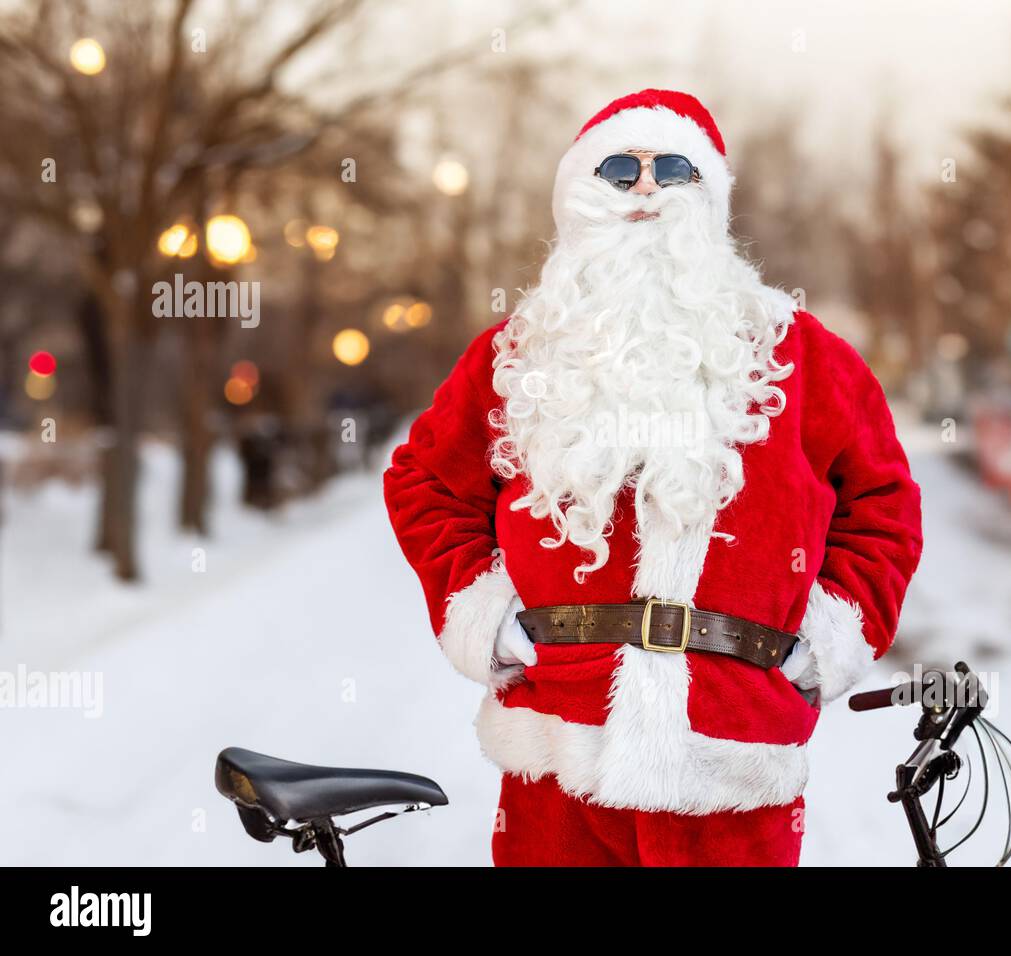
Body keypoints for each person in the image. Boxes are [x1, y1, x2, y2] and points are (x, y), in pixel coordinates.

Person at [385, 89, 923, 866]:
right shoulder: (516, 354)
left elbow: (884, 506)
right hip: (559, 763)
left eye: (673, 169)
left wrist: (830, 635)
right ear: (578, 194)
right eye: (618, 169)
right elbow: (423, 482)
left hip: (734, 759)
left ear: (708, 199)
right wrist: (483, 608)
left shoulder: (804, 356)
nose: (644, 188)